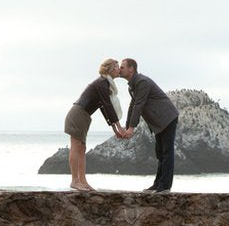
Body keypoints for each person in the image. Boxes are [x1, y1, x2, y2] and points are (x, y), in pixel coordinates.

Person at [117, 58, 179, 193]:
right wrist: (128, 127)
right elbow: (132, 106)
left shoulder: (142, 82)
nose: (119, 70)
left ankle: (165, 185)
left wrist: (132, 128)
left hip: (167, 117)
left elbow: (139, 105)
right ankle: (158, 184)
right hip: (158, 122)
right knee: (160, 153)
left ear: (131, 69)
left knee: (167, 152)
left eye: (122, 67)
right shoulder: (132, 85)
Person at [64, 58, 125, 191]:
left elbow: (104, 107)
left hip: (83, 116)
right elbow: (108, 105)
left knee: (82, 148)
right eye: (116, 67)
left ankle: (83, 181)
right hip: (77, 114)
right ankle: (75, 181)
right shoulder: (102, 83)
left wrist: (114, 128)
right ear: (110, 70)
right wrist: (119, 127)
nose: (119, 70)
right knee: (76, 147)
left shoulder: (105, 83)